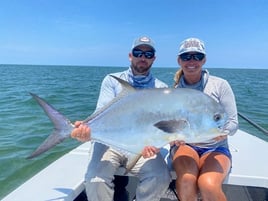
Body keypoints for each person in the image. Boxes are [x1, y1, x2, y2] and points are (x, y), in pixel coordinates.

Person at [71, 36, 171, 201]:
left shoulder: (161, 88)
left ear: (154, 58)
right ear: (130, 55)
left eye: (148, 54)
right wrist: (86, 130)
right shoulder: (112, 81)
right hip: (109, 143)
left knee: (160, 177)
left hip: (144, 145)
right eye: (138, 52)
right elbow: (100, 113)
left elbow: (163, 126)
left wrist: (157, 143)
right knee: (95, 181)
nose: (142, 57)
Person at [171, 37, 239, 201]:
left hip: (216, 147)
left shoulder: (220, 85)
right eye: (187, 56)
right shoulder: (174, 91)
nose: (192, 61)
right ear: (179, 60)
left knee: (208, 184)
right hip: (188, 145)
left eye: (197, 56)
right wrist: (174, 138)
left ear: (204, 60)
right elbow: (173, 126)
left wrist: (224, 132)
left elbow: (233, 123)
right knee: (187, 179)